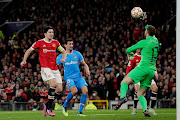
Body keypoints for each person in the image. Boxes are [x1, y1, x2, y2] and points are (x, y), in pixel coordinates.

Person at [114, 24, 159, 117]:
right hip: (151, 71)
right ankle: (145, 110)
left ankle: (123, 97)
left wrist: (130, 54)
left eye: (145, 30)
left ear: (146, 32)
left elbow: (128, 49)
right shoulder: (156, 41)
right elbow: (152, 32)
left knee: (124, 82)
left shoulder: (144, 42)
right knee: (140, 93)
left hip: (143, 67)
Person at [20, 26, 67, 117]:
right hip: (46, 68)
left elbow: (64, 52)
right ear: (45, 34)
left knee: (59, 89)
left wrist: (64, 59)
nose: (52, 34)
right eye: (50, 32)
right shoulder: (40, 43)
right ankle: (50, 109)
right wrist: (24, 60)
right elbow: (29, 50)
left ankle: (47, 105)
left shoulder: (56, 42)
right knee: (53, 84)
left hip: (55, 68)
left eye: (52, 32)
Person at [57, 38, 90, 116]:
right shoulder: (61, 56)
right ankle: (65, 105)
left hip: (79, 77)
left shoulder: (77, 54)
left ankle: (80, 112)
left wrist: (87, 70)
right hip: (69, 77)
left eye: (72, 44)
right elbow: (55, 66)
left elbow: (84, 63)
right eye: (69, 44)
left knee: (85, 91)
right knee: (74, 91)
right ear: (65, 45)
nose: (71, 45)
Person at [126, 49, 158, 115]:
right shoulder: (133, 57)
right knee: (138, 90)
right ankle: (135, 108)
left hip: (147, 76)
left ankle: (151, 108)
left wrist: (155, 72)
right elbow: (128, 68)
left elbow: (152, 64)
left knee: (155, 89)